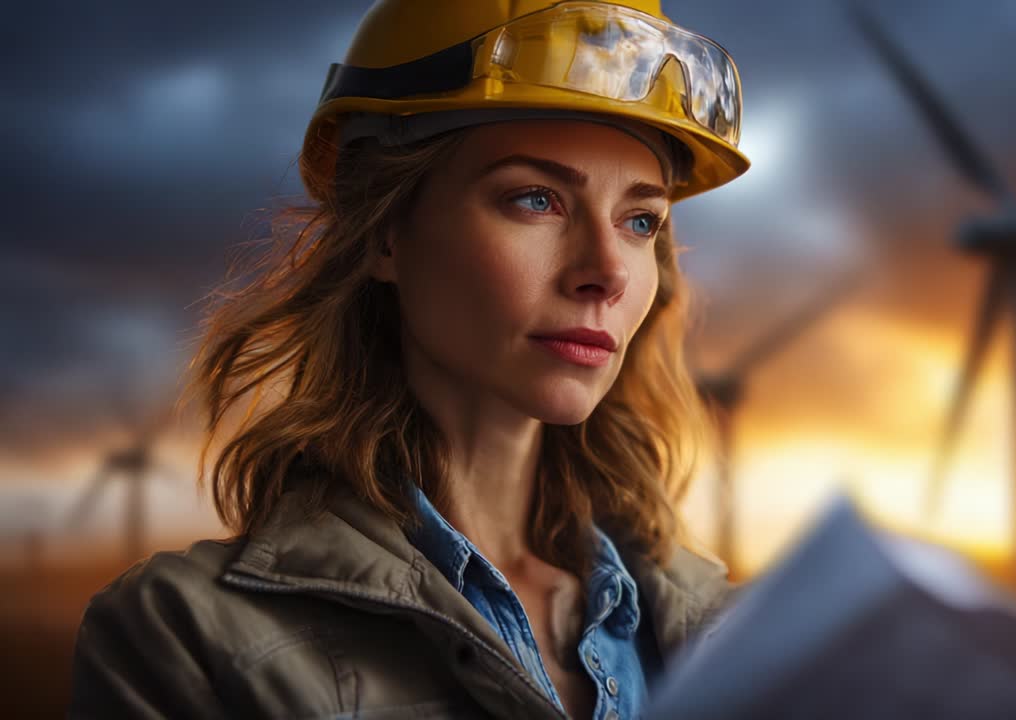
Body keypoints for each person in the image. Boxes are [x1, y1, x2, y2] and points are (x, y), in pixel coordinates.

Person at [68, 1, 750, 718]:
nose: (606, 271)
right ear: (386, 232)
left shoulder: (726, 634)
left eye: (641, 220)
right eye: (536, 199)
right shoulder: (183, 640)